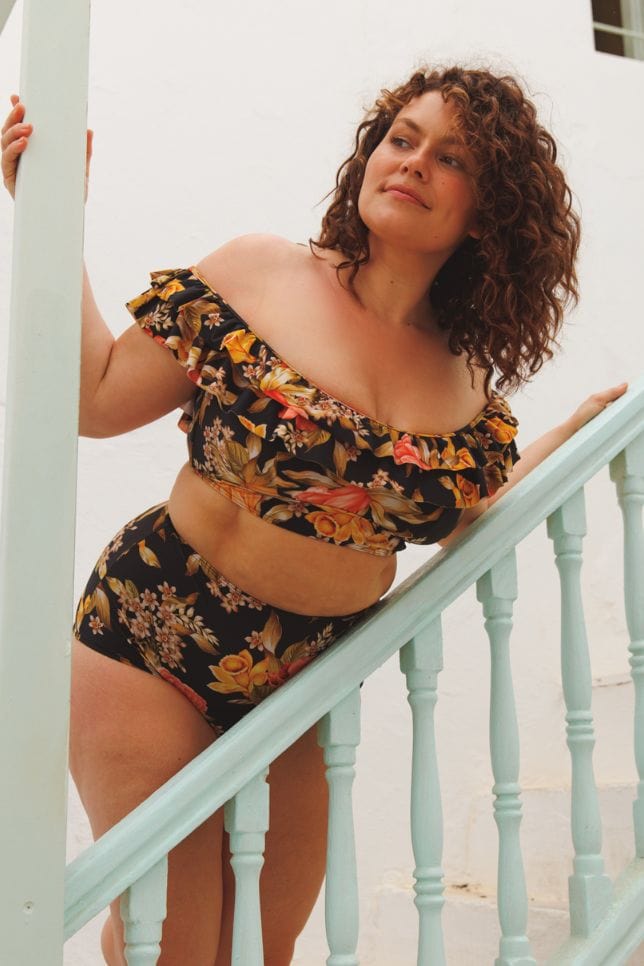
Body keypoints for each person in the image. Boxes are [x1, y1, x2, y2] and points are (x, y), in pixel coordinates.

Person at [1, 65, 627, 966]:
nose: (410, 162)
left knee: (265, 948)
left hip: (308, 675)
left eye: (450, 157)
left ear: (489, 212)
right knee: (175, 942)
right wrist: (53, 215)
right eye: (401, 138)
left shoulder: (462, 381)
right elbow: (95, 400)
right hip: (153, 633)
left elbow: (466, 516)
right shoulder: (263, 274)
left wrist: (564, 438)